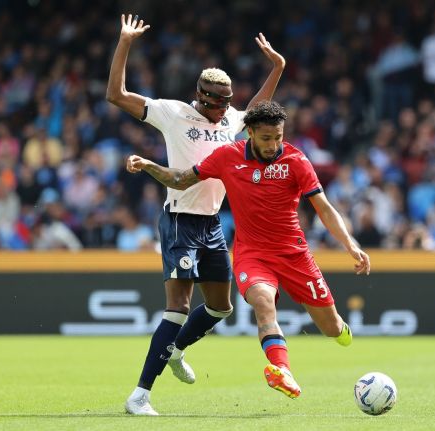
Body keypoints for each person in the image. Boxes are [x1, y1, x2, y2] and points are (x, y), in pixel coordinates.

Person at [126, 100, 370, 401]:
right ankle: (283, 371)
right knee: (264, 305)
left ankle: (338, 329)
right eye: (266, 138)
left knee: (333, 330)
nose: (274, 145)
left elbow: (324, 208)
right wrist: (149, 165)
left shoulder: (296, 161)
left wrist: (351, 245)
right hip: (252, 255)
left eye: (278, 137)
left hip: (295, 255)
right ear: (250, 132)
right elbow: (180, 179)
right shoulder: (227, 156)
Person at [106, 14, 286, 415]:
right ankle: (140, 395)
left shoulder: (231, 121)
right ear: (202, 97)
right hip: (179, 219)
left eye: (227, 102)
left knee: (221, 307)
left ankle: (176, 349)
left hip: (211, 224)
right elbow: (116, 95)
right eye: (218, 102)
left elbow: (255, 110)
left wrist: (277, 67)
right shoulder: (172, 113)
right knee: (178, 307)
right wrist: (125, 43)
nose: (225, 110)